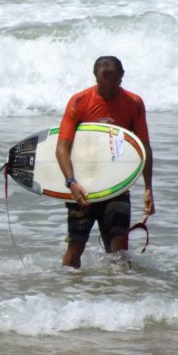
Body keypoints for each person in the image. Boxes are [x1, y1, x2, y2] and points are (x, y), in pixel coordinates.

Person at [55, 56, 155, 268]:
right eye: (103, 84)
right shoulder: (79, 101)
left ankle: (117, 296)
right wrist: (71, 182)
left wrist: (148, 188)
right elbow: (62, 147)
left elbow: (143, 147)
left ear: (122, 78)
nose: (109, 90)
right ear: (95, 78)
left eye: (114, 85)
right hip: (83, 185)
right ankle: (66, 292)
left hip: (116, 185)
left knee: (119, 252)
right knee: (75, 247)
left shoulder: (133, 103)